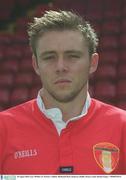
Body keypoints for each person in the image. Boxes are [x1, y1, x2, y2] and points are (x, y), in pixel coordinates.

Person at [0, 10, 126, 175]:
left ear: (93, 63)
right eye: (49, 57)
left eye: (72, 56)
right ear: (36, 64)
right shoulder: (3, 128)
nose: (60, 67)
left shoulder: (122, 126)